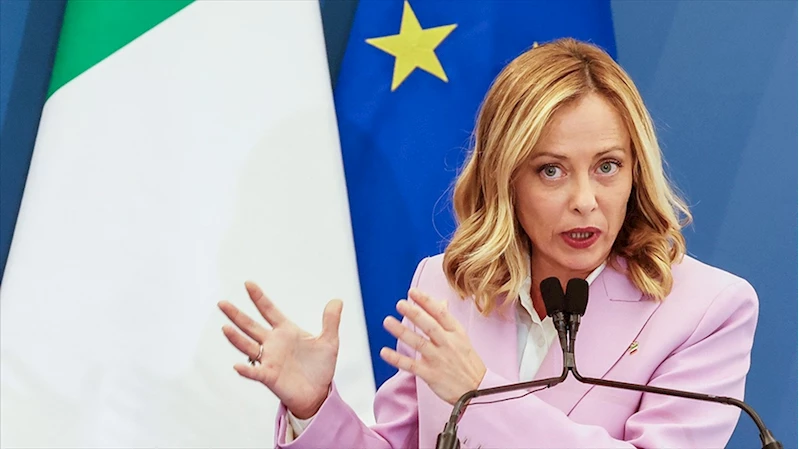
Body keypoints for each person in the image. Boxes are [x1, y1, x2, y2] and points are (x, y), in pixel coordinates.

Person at [218, 38, 758, 449]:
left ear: (636, 172)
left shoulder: (707, 309)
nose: (585, 200)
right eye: (551, 171)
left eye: (607, 166)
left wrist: (477, 392)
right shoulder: (447, 287)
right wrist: (314, 408)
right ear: (506, 179)